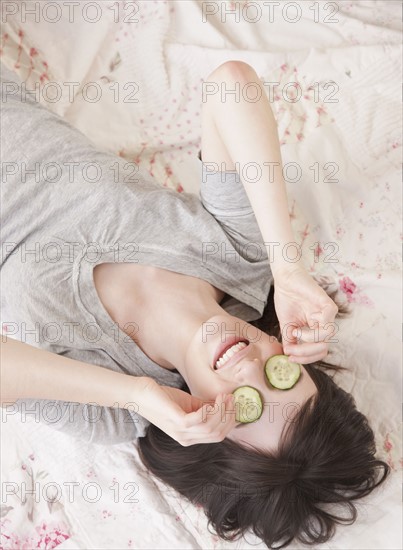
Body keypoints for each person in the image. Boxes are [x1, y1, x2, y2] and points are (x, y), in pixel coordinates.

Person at [1, 60, 390, 548]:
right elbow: (232, 85)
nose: (250, 369)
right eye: (280, 377)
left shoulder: (116, 407)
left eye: (246, 410)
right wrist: (287, 266)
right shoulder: (241, 260)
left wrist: (137, 393)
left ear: (205, 431)